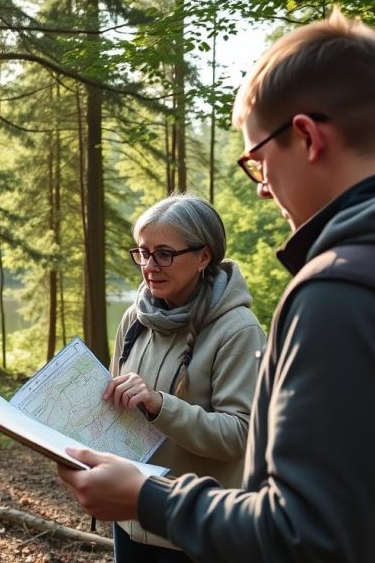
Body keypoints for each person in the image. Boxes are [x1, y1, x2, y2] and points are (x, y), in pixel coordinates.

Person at [58, 8, 375, 562]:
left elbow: (307, 537)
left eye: (258, 163)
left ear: (307, 137)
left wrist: (151, 498)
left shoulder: (346, 292)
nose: (263, 189)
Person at [104, 194, 264, 562]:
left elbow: (241, 436)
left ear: (204, 256)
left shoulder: (238, 331)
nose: (149, 266)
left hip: (195, 532)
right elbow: (114, 404)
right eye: (142, 252)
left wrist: (160, 404)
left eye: (164, 253)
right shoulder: (135, 319)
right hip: (131, 518)